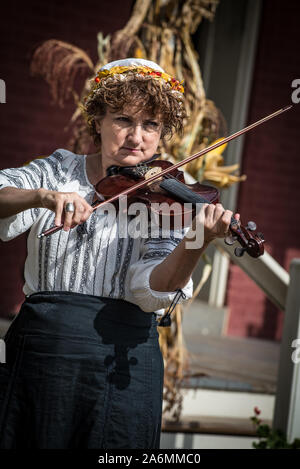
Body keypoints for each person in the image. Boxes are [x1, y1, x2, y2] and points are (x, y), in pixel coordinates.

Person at [0, 58, 238, 449]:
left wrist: (199, 240)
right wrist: (44, 196)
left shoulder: (170, 197)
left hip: (123, 361)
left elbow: (151, 291)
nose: (136, 137)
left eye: (151, 125)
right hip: (42, 352)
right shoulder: (57, 170)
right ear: (97, 120)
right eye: (123, 120)